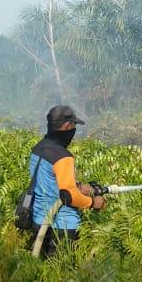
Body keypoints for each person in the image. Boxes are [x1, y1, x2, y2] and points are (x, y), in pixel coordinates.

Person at [27, 105, 105, 258]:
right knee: (63, 276)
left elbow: (49, 181)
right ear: (68, 126)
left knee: (42, 272)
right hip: (62, 228)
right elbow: (68, 196)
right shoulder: (63, 156)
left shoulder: (38, 148)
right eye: (74, 125)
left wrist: (78, 186)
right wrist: (93, 202)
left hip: (38, 222)